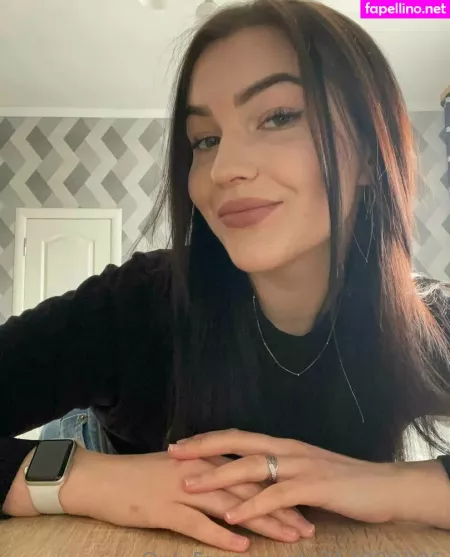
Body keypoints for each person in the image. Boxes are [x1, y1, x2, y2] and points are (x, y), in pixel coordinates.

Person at [1, 0, 450, 551]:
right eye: (205, 140)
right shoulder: (138, 304)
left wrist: (398, 485)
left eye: (278, 116)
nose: (224, 168)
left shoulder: (422, 319)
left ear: (370, 152)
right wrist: (84, 479)